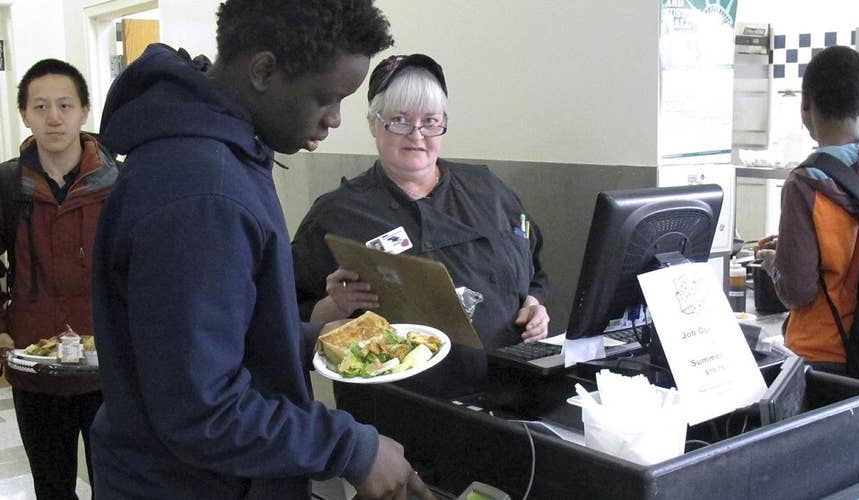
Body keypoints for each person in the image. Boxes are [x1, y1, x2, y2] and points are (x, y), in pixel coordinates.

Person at [90, 1, 434, 499]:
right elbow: (202, 410)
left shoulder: (226, 152)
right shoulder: (203, 192)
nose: (336, 119)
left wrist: (310, 337)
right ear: (264, 70)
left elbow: (199, 341)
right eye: (327, 98)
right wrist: (351, 449)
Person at [291, 53, 550, 395]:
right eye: (399, 120)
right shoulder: (336, 215)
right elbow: (289, 316)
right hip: (400, 412)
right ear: (373, 124)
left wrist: (535, 305)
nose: (417, 134)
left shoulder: (489, 190)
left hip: (511, 395)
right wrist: (334, 305)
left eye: (430, 120)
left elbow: (534, 272)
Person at [756, 45, 859, 465]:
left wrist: (773, 264)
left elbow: (798, 289)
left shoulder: (804, 183)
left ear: (805, 104)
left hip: (825, 357)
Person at [0, 59, 115, 500]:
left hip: (106, 371)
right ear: (24, 114)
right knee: (51, 488)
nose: (54, 117)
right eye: (41, 106)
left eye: (65, 105)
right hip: (36, 369)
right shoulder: (9, 183)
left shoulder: (118, 182)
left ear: (84, 110)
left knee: (116, 484)